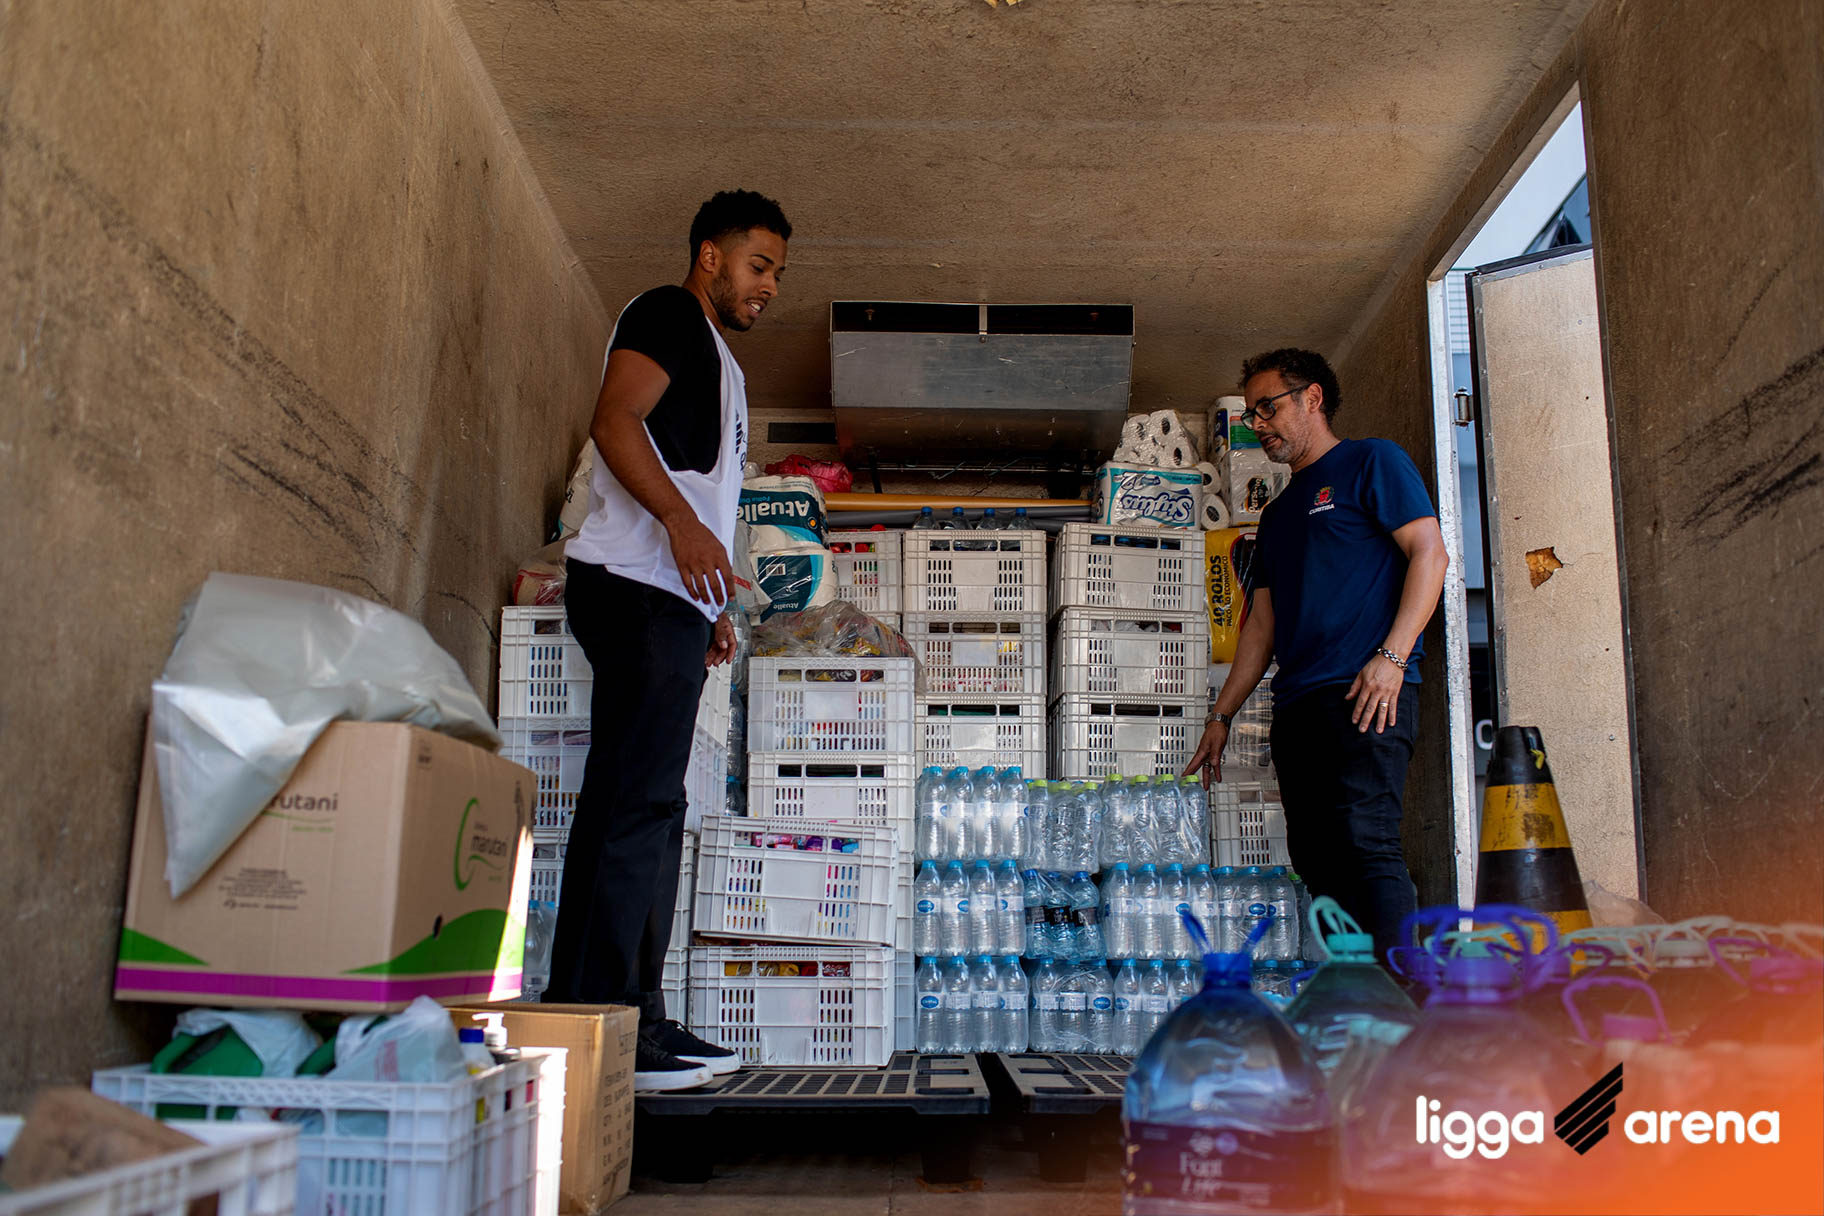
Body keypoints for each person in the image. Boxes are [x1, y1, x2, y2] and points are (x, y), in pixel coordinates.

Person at [547, 190, 790, 1091]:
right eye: (759, 265)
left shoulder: (718, 357)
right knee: (636, 805)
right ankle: (607, 1018)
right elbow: (614, 420)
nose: (769, 286)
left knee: (645, 805)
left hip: (669, 602)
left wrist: (709, 602)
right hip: (634, 591)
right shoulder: (667, 312)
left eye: (777, 273)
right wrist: (684, 533)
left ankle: (628, 1014)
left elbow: (698, 488)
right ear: (710, 256)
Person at [1183, 348, 1448, 964]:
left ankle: (1399, 997)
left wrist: (1393, 657)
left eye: (1267, 408)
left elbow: (1429, 554)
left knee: (1366, 844)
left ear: (1312, 398)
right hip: (1298, 706)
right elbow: (1261, 626)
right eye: (1251, 415)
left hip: (1366, 692)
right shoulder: (1277, 516)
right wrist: (1222, 715)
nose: (1259, 424)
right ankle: (1354, 989)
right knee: (1315, 856)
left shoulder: (1371, 461)